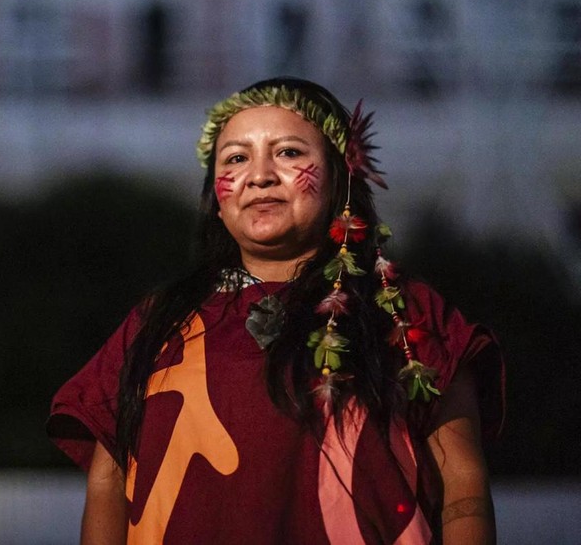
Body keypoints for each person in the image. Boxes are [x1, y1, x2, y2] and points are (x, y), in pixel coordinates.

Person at [47, 77, 504, 544]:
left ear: (340, 178)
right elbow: (107, 483)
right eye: (236, 159)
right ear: (216, 202)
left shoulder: (405, 311)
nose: (260, 175)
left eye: (288, 153)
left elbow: (462, 485)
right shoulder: (156, 321)